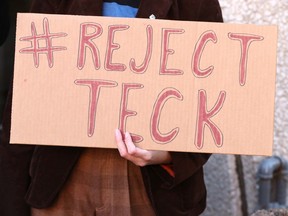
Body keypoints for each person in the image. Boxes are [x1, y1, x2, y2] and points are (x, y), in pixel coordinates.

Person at [0, 0, 223, 215]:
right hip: (59, 179)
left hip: (151, 187)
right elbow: (25, 99)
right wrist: (12, 201)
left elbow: (214, 101)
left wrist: (166, 154)